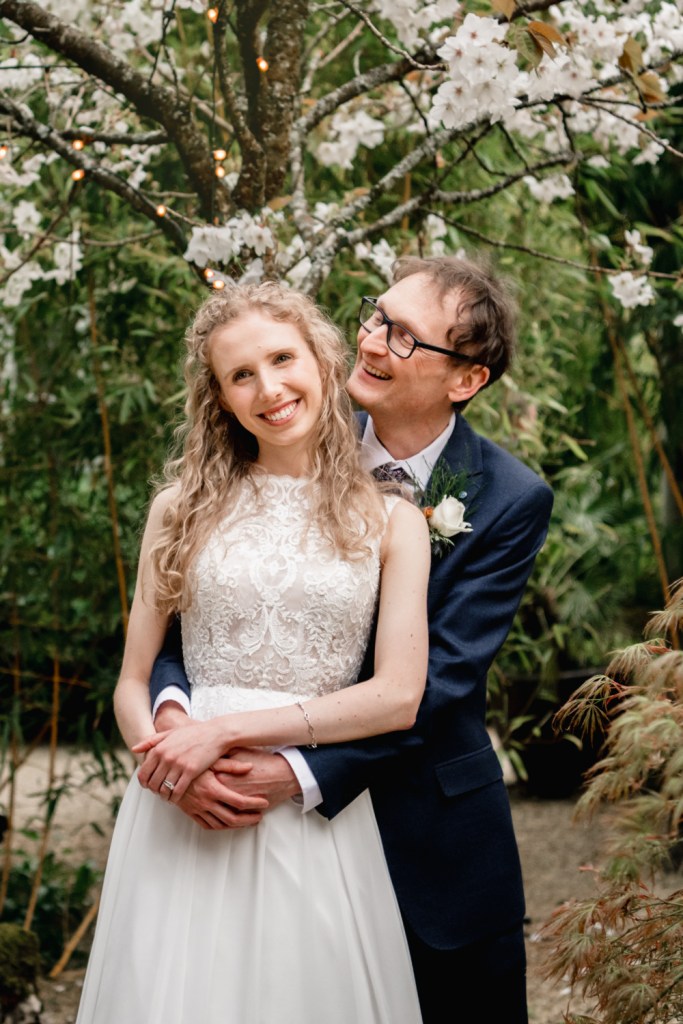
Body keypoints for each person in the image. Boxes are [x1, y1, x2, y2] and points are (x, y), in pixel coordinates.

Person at [149, 256, 554, 1023]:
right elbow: (189, 616)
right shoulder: (278, 419)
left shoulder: (509, 499)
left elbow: (439, 683)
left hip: (427, 838)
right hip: (254, 831)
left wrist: (292, 770)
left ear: (465, 379)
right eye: (377, 316)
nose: (370, 340)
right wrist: (176, 725)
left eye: (404, 337)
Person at [76, 283, 432, 1024]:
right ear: (219, 397)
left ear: (323, 362)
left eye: (282, 359)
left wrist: (223, 734)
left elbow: (398, 696)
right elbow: (133, 683)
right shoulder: (177, 509)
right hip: (181, 807)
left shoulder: (393, 522)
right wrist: (167, 769)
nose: (269, 388)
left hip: (308, 813)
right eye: (241, 374)